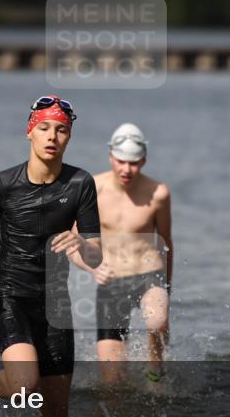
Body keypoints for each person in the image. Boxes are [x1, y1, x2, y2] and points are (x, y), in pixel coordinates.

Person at [0, 95, 102, 417]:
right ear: (29, 132)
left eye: (62, 130)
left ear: (69, 137)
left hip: (56, 300)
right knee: (23, 386)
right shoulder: (2, 184)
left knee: (55, 416)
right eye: (44, 128)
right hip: (10, 296)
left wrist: (81, 246)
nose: (52, 136)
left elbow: (96, 254)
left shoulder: (81, 183)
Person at [70, 123, 172, 384]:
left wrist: (167, 289)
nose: (127, 169)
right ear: (110, 157)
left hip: (150, 274)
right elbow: (73, 243)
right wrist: (92, 268)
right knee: (112, 382)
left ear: (144, 160)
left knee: (157, 322)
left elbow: (167, 242)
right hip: (111, 282)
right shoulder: (92, 188)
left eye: (134, 163)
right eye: (121, 161)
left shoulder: (158, 193)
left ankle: (155, 371)